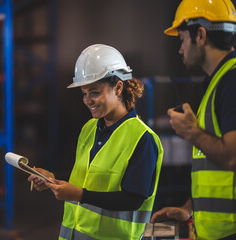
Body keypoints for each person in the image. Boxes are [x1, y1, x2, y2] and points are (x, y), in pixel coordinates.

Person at [28, 44, 164, 240]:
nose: (87, 100)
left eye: (94, 92)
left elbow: (133, 199)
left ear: (118, 87)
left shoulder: (143, 138)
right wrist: (52, 181)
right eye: (84, 93)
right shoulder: (89, 128)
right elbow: (85, 182)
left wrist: (79, 195)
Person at [150, 0, 236, 239]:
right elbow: (216, 171)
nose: (180, 49)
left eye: (182, 39)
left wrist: (192, 132)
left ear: (200, 35)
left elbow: (232, 157)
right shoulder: (218, 82)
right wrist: (189, 208)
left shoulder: (231, 81)